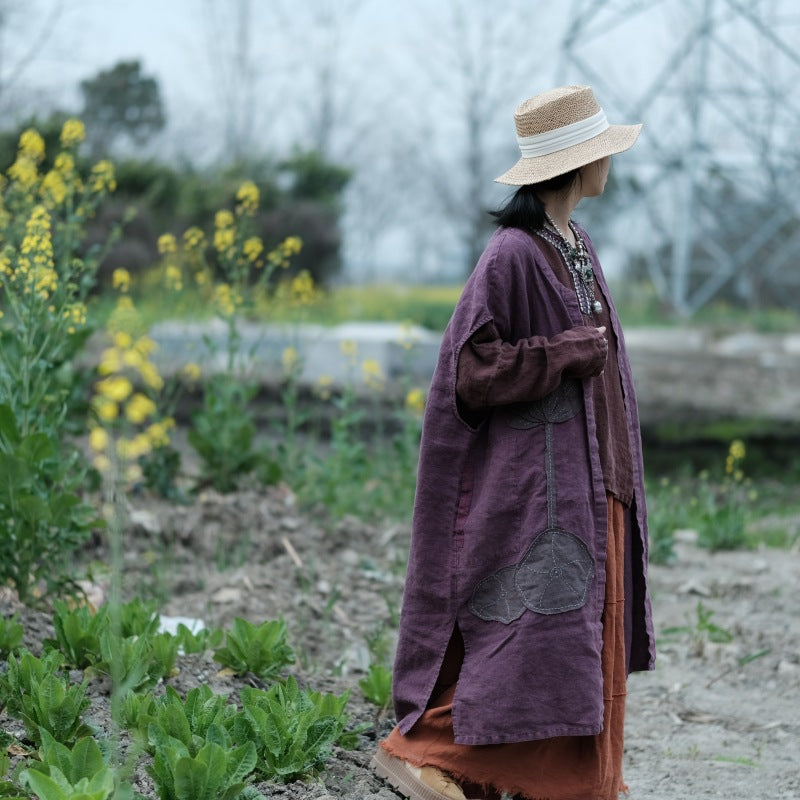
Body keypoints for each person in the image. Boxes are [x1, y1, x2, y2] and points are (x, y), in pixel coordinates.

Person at [371, 85, 656, 800]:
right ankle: (428, 755)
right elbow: (469, 372)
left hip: (601, 485)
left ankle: (580, 785)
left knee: (577, 649)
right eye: (603, 155)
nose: (610, 167)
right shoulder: (511, 255)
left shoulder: (576, 244)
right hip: (546, 498)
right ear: (578, 166)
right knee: (528, 640)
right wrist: (559, 354)